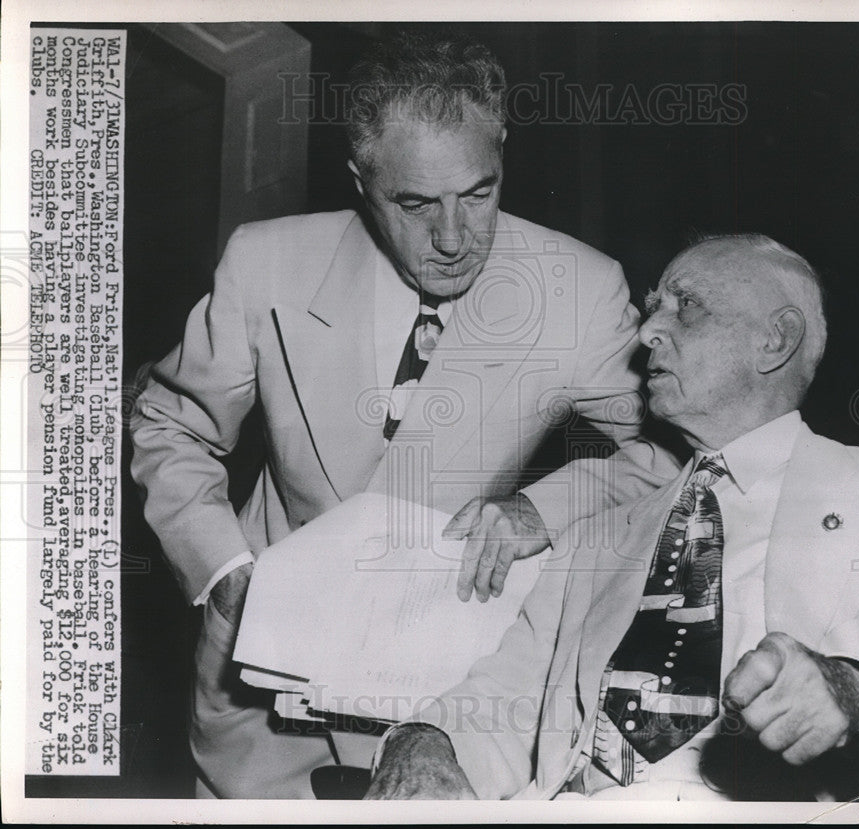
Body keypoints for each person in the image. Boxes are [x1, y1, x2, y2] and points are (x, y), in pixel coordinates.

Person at [129, 32, 677, 799]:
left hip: (442, 699)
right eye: (415, 203)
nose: (452, 239)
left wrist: (544, 507)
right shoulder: (266, 263)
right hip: (257, 690)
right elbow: (170, 424)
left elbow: (672, 460)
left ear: (503, 154)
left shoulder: (580, 290)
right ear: (361, 178)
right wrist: (223, 571)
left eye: (478, 193)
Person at [365, 234, 859, 801]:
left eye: (686, 307)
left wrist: (854, 686)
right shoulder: (595, 538)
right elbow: (502, 701)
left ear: (775, 340)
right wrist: (421, 741)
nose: (649, 330)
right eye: (651, 308)